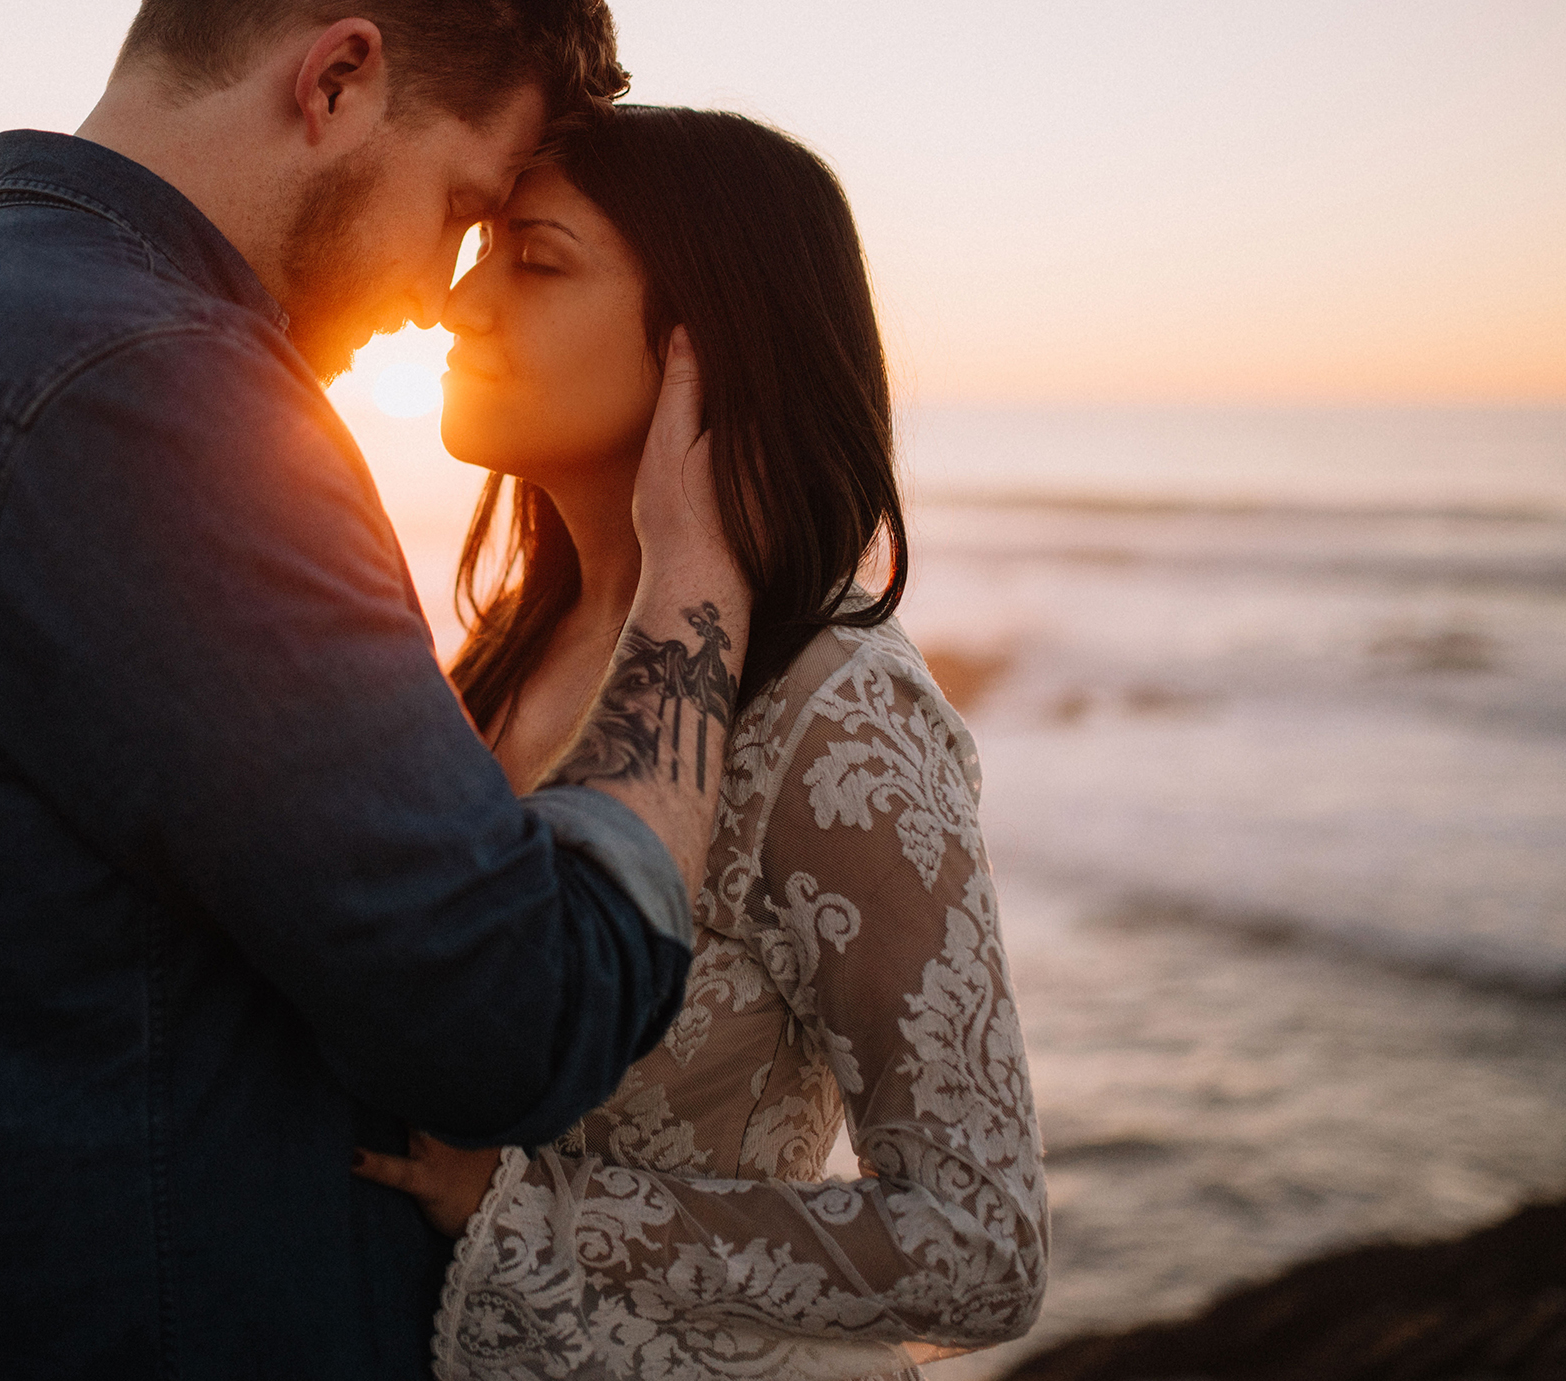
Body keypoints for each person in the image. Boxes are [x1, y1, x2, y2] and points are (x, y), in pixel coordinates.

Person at [0, 0, 754, 1378]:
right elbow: (517, 1014)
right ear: (336, 78)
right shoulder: (160, 395)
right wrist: (695, 592)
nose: (443, 295)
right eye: (463, 208)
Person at [352, 108, 1050, 1378]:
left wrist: (531, 1209)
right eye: (479, 254)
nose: (459, 306)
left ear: (703, 344)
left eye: (535, 260)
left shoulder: (833, 711)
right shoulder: (503, 643)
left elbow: (979, 1244)